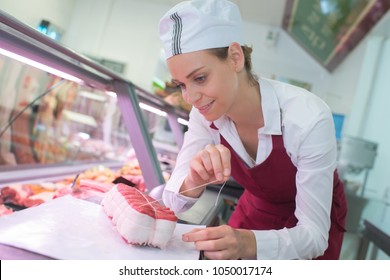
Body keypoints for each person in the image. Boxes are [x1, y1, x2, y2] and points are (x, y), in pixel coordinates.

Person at [158, 0, 347, 260]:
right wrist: (193, 181)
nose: (190, 97)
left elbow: (314, 236)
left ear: (235, 57)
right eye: (181, 85)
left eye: (200, 78)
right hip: (256, 208)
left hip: (312, 227)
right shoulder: (204, 113)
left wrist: (250, 243)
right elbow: (172, 203)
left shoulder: (307, 117)